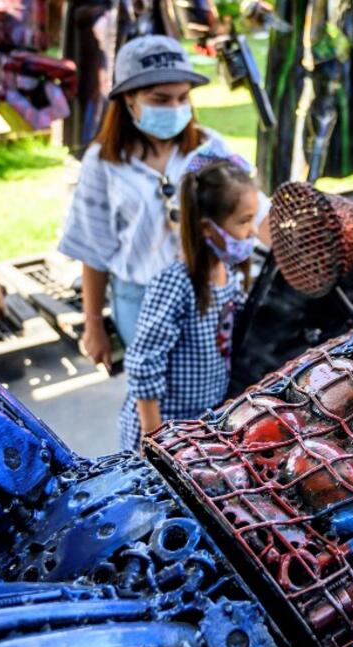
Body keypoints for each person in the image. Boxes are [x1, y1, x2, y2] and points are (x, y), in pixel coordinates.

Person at [58, 34, 235, 371]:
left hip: (208, 294)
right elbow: (93, 249)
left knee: (211, 387)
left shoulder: (210, 148)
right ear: (129, 99)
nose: (175, 108)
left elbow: (250, 209)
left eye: (183, 98)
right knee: (152, 390)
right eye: (161, 100)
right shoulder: (103, 163)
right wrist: (93, 324)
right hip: (140, 302)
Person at [118, 155, 259, 452]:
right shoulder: (176, 284)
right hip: (165, 429)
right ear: (207, 228)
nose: (253, 232)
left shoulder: (227, 274)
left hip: (197, 425)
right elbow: (144, 364)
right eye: (244, 221)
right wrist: (154, 441)